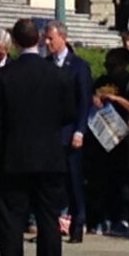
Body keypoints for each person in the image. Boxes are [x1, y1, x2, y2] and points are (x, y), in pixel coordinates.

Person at [0, 15, 79, 256]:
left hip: (13, 159)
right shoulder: (57, 75)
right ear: (38, 39)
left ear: (12, 41)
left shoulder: (3, 76)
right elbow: (68, 113)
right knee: (48, 222)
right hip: (49, 158)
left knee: (12, 224)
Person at [86, 46, 129, 237]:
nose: (109, 68)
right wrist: (96, 100)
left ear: (123, 65)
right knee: (101, 180)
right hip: (101, 136)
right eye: (107, 64)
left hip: (123, 137)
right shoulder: (101, 81)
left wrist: (115, 99)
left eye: (113, 65)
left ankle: (122, 219)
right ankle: (102, 218)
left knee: (123, 181)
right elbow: (91, 98)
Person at [44, 21, 93, 241]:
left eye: (50, 39)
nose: (47, 43)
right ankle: (52, 223)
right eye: (45, 39)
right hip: (50, 131)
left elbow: (84, 101)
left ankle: (78, 222)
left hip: (70, 129)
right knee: (51, 182)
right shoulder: (45, 64)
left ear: (62, 38)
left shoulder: (79, 66)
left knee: (73, 180)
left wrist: (80, 131)